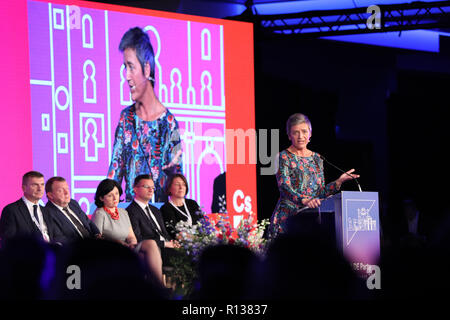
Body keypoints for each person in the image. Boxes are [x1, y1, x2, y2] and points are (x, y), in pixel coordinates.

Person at [107, 27, 182, 202]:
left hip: (161, 216)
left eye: (131, 67)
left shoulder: (169, 122)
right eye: (125, 68)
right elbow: (114, 172)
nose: (126, 76)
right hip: (130, 216)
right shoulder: (126, 118)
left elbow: (179, 180)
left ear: (147, 69)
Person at [269, 113, 360, 237]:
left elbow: (319, 193)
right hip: (287, 221)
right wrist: (305, 200)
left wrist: (338, 182)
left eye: (304, 131)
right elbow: (284, 187)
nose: (301, 136)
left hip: (310, 220)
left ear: (310, 133)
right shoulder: (283, 157)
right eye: (296, 132)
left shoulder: (317, 158)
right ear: (289, 135)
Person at [92, 178, 166, 286]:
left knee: (150, 244)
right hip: (112, 252)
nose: (114, 198)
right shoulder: (100, 213)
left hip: (128, 248)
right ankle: (154, 289)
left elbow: (131, 236)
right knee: (143, 258)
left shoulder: (123, 212)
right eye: (110, 195)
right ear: (101, 198)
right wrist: (118, 242)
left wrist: (131, 244)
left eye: (116, 194)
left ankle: (159, 286)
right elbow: (97, 240)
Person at [126, 174, 180, 267]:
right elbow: (138, 239)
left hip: (167, 247)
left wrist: (172, 242)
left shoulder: (155, 210)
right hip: (154, 250)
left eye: (153, 187)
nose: (151, 190)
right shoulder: (131, 211)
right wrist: (164, 244)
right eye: (146, 187)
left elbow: (164, 233)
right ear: (135, 189)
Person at [0, 171, 63, 245]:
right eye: (35, 185)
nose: (40, 189)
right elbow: (8, 241)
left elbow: (58, 236)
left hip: (50, 254)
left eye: (42, 184)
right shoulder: (11, 210)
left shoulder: (47, 211)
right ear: (24, 188)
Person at [45, 176, 101, 244]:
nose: (66, 193)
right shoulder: (48, 213)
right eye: (60, 190)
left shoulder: (73, 203)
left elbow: (88, 222)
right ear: (50, 195)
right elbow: (60, 238)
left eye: (67, 189)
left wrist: (97, 234)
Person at [160, 173, 201, 239]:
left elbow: (203, 224)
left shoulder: (192, 204)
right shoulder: (165, 209)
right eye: (177, 184)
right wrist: (196, 239)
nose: (181, 187)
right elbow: (172, 232)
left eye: (183, 184)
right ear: (169, 187)